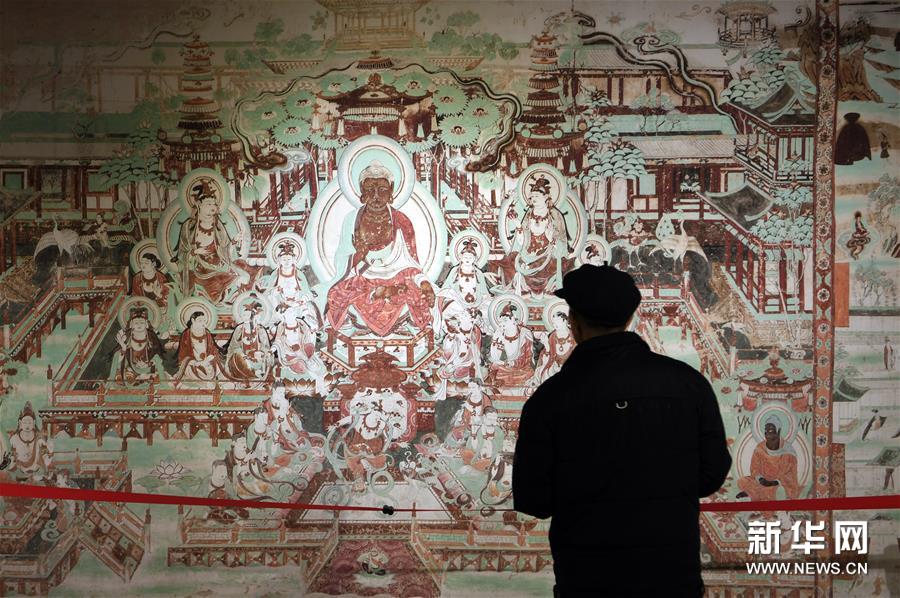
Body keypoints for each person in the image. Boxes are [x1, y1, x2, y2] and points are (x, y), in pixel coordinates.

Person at [513, 264, 731, 597]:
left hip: (587, 580)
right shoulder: (688, 385)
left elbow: (534, 500)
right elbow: (712, 474)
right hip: (672, 577)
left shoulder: (549, 400)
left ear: (573, 322)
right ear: (629, 318)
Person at [325, 161, 436, 336]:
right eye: (370, 189)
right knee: (335, 295)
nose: (376, 195)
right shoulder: (351, 220)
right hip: (362, 277)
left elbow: (411, 264)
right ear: (362, 193)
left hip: (397, 279)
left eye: (382, 190)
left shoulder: (401, 220)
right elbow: (340, 260)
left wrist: (424, 283)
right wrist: (358, 255)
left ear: (391, 192)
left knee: (418, 296)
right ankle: (347, 330)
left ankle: (412, 329)